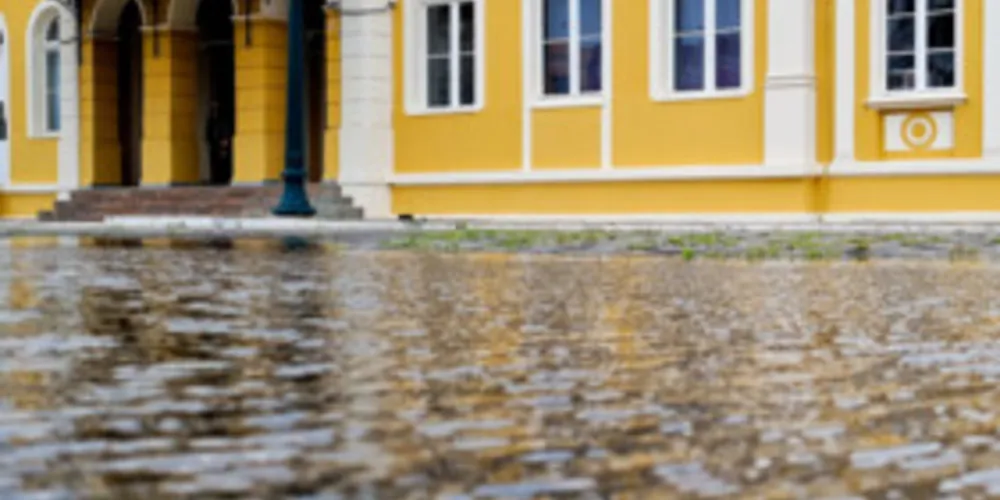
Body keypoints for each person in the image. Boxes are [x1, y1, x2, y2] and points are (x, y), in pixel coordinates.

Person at [205, 100, 233, 185]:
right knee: (215, 161)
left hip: (221, 142)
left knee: (223, 161)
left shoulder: (223, 117)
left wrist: (225, 139)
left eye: (215, 106)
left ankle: (224, 178)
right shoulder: (211, 119)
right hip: (214, 143)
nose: (214, 108)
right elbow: (209, 131)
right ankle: (216, 178)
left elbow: (225, 127)